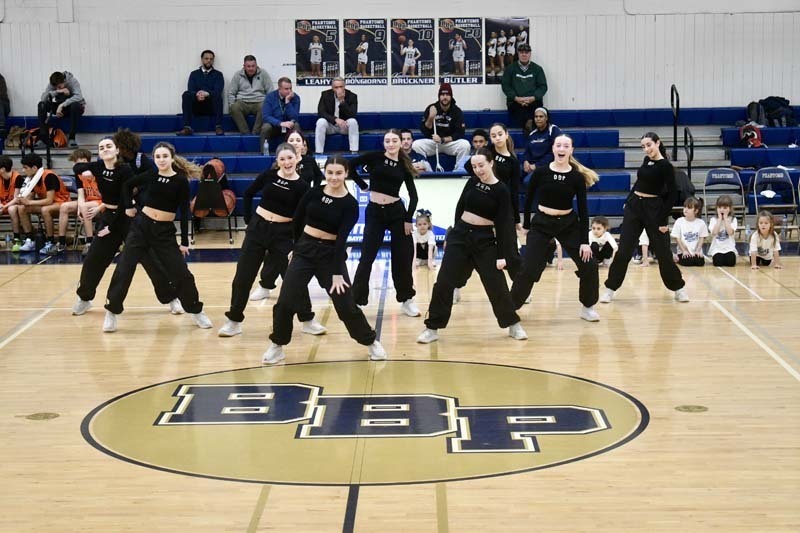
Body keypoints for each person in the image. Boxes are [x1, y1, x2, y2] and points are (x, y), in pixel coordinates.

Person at [263, 156, 387, 364]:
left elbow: (341, 241)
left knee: (346, 305)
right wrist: (296, 246)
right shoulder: (313, 192)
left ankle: (370, 342)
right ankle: (277, 345)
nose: (334, 177)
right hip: (304, 250)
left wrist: (337, 273)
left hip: (331, 256)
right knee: (285, 302)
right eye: (330, 173)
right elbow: (298, 219)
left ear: (346, 173)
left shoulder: (350, 204)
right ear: (325, 172)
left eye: (338, 173)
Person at [417, 147, 527, 344]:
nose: (477, 169)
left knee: (495, 283)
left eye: (481, 165)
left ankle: (512, 324)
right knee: (443, 282)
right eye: (474, 166)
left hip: (484, 240)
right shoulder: (473, 181)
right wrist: (453, 235)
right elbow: (460, 208)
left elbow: (503, 225)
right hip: (460, 236)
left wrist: (502, 255)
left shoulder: (501, 190)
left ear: (492, 163)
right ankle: (432, 327)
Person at [218, 143, 325, 338]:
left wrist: (298, 243)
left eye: (290, 158)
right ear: (277, 161)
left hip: (283, 235)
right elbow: (249, 193)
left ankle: (307, 320)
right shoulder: (268, 176)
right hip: (257, 230)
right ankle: (233, 321)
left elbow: (303, 217)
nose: (286, 162)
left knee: (294, 279)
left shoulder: (302, 186)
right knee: (243, 276)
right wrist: (250, 220)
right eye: (282, 159)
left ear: (297, 158)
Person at [102, 142, 211, 332]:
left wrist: (184, 242)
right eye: (158, 156)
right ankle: (111, 312)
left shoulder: (180, 181)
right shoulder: (151, 174)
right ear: (154, 158)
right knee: (124, 269)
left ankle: (195, 311)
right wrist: (128, 206)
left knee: (181, 273)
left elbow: (185, 212)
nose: (161, 160)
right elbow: (127, 186)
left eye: (164, 156)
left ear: (171, 158)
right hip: (140, 228)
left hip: (164, 233)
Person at [70, 138, 181, 317]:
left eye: (109, 146)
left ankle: (171, 298)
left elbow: (124, 200)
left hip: (129, 218)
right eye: (101, 147)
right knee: (94, 258)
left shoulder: (125, 170)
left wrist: (111, 226)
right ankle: (84, 298)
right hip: (108, 218)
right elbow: (76, 169)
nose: (105, 149)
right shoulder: (98, 167)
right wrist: (87, 171)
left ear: (116, 151)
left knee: (150, 259)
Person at [510, 134, 601, 322]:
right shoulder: (541, 173)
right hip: (542, 223)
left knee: (589, 264)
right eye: (558, 145)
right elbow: (527, 200)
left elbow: (584, 211)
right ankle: (511, 307)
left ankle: (588, 306)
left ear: (571, 150)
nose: (561, 149)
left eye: (566, 146)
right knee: (528, 267)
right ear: (553, 149)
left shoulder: (576, 177)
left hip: (568, 223)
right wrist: (526, 225)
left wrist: (585, 242)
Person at [600, 132, 689, 304]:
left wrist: (663, 220)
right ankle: (610, 288)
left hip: (654, 210)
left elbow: (671, 196)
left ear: (658, 143)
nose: (646, 149)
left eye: (649, 145)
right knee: (624, 250)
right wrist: (628, 201)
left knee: (663, 252)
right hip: (635, 207)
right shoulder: (646, 161)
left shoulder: (666, 166)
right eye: (643, 146)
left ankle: (678, 288)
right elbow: (639, 183)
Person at [349, 129, 420, 316]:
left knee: (402, 258)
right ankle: (356, 300)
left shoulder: (404, 164)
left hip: (396, 213)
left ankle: (406, 299)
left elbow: (413, 196)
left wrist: (407, 219)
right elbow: (350, 165)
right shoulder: (374, 157)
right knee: (366, 257)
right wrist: (362, 185)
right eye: (387, 141)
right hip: (374, 213)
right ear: (384, 143)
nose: (390, 144)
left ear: (400, 143)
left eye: (394, 140)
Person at [249, 131, 324, 301]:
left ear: (304, 144)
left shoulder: (309, 161)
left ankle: (327, 283)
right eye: (292, 140)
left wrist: (313, 194)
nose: (296, 142)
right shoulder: (280, 165)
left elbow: (319, 178)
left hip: (304, 215)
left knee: (308, 250)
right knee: (278, 254)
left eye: (298, 140)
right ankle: (265, 285)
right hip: (283, 219)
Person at [464, 122, 522, 277]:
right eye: (493, 135)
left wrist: (516, 219)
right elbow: (468, 166)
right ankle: (458, 283)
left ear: (506, 134)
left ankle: (518, 286)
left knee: (510, 248)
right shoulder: (486, 152)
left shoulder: (513, 161)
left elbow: (514, 191)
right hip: (482, 201)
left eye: (500, 134)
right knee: (469, 246)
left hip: (503, 205)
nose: (497, 138)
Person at [11, 154, 70, 254]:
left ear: (34, 168)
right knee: (22, 208)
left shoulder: (49, 176)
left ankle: (50, 241)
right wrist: (22, 200)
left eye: (25, 168)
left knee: (45, 210)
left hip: (61, 203)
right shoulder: (32, 178)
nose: (23, 171)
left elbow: (49, 200)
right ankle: (30, 240)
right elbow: (29, 197)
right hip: (46, 204)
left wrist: (29, 202)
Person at [411, 83, 471, 171]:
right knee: (416, 144)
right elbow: (424, 130)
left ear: (451, 96)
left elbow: (459, 133)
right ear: (439, 96)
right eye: (442, 94)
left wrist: (442, 139)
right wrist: (431, 117)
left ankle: (459, 170)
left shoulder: (457, 111)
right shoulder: (431, 108)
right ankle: (426, 169)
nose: (445, 97)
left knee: (465, 145)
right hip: (433, 143)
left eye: (447, 94)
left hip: (449, 143)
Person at [53, 149, 100, 255]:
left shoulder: (97, 170)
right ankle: (62, 242)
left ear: (84, 160)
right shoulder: (79, 174)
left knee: (85, 207)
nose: (74, 165)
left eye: (75, 161)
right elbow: (80, 194)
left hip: (101, 201)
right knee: (64, 207)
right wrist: (79, 207)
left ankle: (89, 242)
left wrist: (82, 207)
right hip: (88, 201)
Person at [501, 43, 548, 136]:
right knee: (520, 111)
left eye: (526, 52)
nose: (524, 54)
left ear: (530, 54)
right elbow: (505, 86)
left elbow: (543, 87)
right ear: (518, 54)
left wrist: (533, 98)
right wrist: (516, 98)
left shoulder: (537, 69)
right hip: (515, 102)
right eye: (521, 52)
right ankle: (530, 126)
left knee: (541, 112)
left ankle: (530, 126)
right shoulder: (510, 69)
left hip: (534, 101)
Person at [179, 50, 224, 136]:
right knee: (186, 94)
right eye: (206, 58)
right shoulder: (194, 74)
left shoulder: (218, 74)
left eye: (211, 59)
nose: (209, 60)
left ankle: (218, 127)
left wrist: (207, 93)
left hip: (211, 106)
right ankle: (187, 127)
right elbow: (191, 89)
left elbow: (218, 90)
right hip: (197, 106)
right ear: (202, 59)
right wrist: (198, 94)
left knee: (218, 96)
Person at [36, 71, 84, 149]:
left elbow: (79, 97)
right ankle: (43, 139)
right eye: (56, 87)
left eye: (60, 86)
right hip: (60, 107)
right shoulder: (52, 84)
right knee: (41, 105)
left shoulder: (72, 81)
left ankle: (72, 139)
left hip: (72, 108)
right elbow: (43, 98)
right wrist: (57, 91)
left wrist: (62, 105)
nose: (58, 88)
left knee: (75, 105)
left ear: (64, 81)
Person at [228, 55, 273, 135]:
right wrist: (231, 104)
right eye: (248, 66)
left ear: (256, 65)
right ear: (244, 66)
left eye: (253, 66)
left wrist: (269, 104)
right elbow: (231, 92)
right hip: (242, 102)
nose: (251, 68)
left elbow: (270, 91)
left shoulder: (263, 73)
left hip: (259, 101)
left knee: (265, 107)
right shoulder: (237, 75)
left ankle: (255, 132)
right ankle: (246, 134)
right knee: (234, 107)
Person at [315, 77, 359, 154]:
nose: (339, 89)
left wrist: (342, 101)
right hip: (331, 125)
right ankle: (319, 152)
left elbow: (352, 114)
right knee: (320, 122)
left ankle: (354, 151)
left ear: (344, 86)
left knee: (353, 122)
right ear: (332, 88)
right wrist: (335, 119)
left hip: (344, 126)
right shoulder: (325, 95)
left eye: (341, 87)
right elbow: (321, 112)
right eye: (336, 87)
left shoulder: (352, 96)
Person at [260, 77, 300, 155]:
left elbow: (295, 117)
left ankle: (296, 153)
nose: (289, 91)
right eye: (286, 89)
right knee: (266, 127)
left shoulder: (295, 98)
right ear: (279, 89)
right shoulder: (270, 97)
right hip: (274, 126)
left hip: (288, 126)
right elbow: (266, 116)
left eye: (290, 88)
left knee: (296, 125)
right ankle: (264, 153)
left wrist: (287, 102)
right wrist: (280, 123)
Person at [522, 107, 561, 186]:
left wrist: (537, 166)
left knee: (527, 182)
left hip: (547, 166)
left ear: (546, 118)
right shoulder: (532, 134)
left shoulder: (553, 130)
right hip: (532, 165)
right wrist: (526, 162)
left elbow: (554, 153)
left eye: (541, 116)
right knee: (514, 174)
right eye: (536, 117)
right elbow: (527, 152)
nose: (538, 119)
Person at [671, 197, 708, 267]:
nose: (686, 210)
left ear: (696, 211)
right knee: (687, 261)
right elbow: (677, 238)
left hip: (695, 251)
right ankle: (677, 257)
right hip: (683, 251)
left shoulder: (701, 223)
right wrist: (684, 251)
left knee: (700, 262)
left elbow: (701, 238)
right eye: (685, 207)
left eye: (689, 208)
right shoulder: (679, 221)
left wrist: (697, 250)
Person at [707, 195, 738, 267]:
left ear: (730, 208)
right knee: (718, 262)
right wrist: (720, 219)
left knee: (731, 263)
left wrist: (726, 218)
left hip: (729, 248)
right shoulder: (713, 219)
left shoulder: (733, 219)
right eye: (719, 207)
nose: (722, 210)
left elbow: (730, 232)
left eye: (725, 208)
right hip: (717, 248)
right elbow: (714, 233)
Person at [0, 156, 23, 245]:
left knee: (11, 209)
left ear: (2, 169)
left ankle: (17, 238)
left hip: (14, 203)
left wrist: (4, 206)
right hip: (3, 203)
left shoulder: (17, 178)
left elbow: (16, 198)